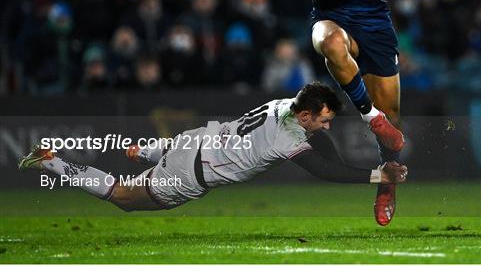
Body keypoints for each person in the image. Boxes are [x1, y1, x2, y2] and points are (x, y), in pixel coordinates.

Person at [208, 0, 409, 226]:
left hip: (374, 23)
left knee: (393, 132)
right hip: (330, 16)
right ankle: (369, 117)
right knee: (329, 43)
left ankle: (385, 183)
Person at [19, 82, 407, 212]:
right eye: (323, 118)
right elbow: (325, 171)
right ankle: (50, 162)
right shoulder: (285, 138)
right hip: (191, 173)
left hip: (194, 141)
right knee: (121, 196)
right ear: (305, 116)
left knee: (156, 160)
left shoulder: (287, 105)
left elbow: (320, 142)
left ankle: (149, 152)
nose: (326, 125)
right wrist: (378, 174)